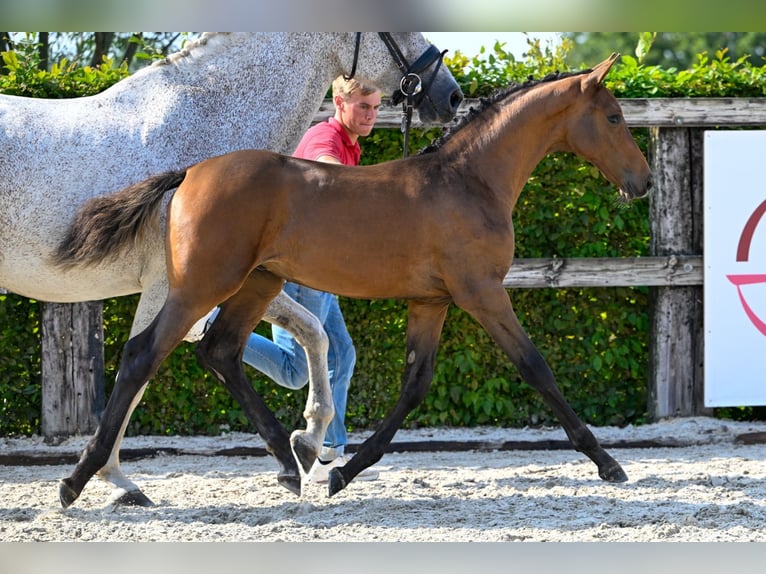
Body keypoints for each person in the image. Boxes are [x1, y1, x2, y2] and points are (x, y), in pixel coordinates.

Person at [186, 75, 382, 483]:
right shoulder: (325, 137)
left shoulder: (349, 142)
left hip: (321, 268)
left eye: (377, 107)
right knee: (296, 371)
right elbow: (325, 168)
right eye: (364, 106)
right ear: (339, 103)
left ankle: (327, 450)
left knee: (343, 354)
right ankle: (207, 324)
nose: (371, 115)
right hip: (300, 269)